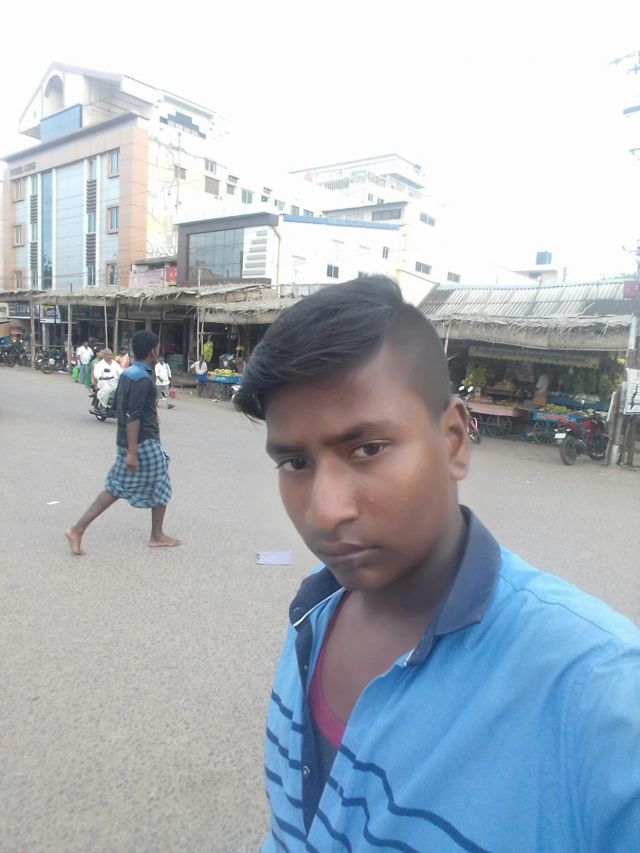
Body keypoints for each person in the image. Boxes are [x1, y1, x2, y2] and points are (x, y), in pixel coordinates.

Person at [233, 276, 640, 852]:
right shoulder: (311, 620)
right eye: (296, 462)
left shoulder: (599, 693)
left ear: (453, 440)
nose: (324, 512)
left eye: (366, 449)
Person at [65, 330, 181, 555]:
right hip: (143, 442)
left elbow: (126, 407)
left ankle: (77, 530)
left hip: (129, 440)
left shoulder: (129, 373)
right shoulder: (142, 378)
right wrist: (132, 452)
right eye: (157, 348)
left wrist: (151, 416)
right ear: (153, 351)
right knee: (160, 485)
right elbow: (133, 415)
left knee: (117, 487)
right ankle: (156, 536)